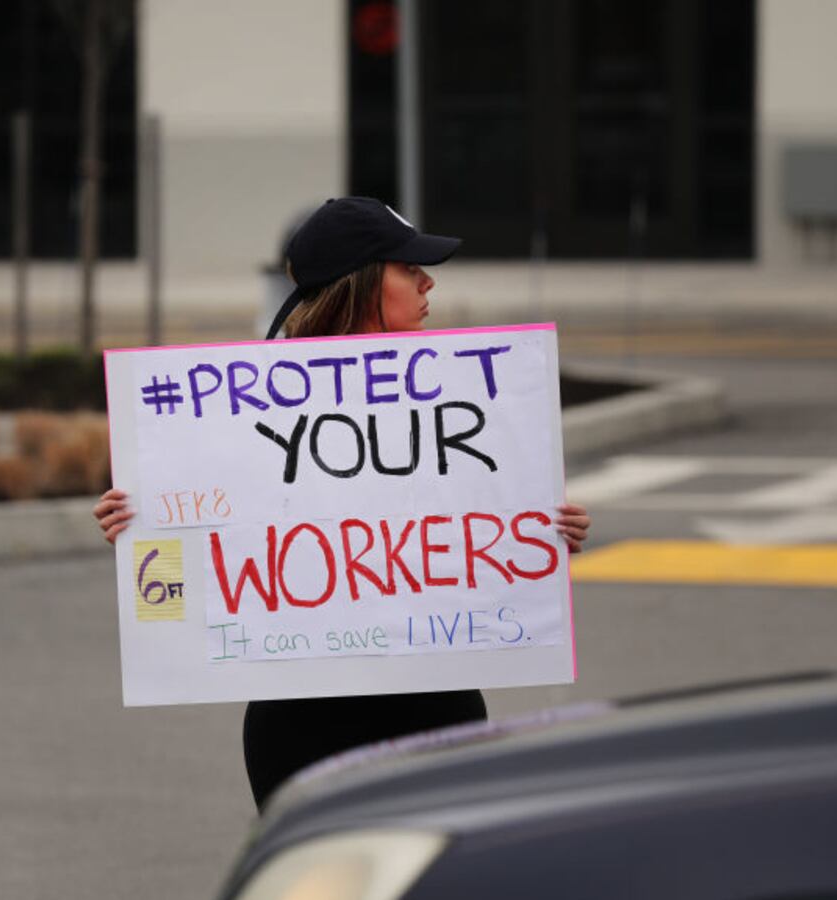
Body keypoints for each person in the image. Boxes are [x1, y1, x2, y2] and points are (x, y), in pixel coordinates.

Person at [93, 196, 591, 810]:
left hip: (434, 709)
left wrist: (545, 529)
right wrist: (140, 530)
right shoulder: (239, 409)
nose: (427, 281)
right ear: (362, 283)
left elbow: (481, 539)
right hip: (302, 724)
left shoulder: (466, 396)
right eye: (409, 268)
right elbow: (190, 565)